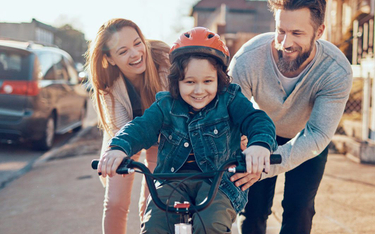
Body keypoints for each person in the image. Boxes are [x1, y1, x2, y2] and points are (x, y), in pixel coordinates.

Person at [97, 27, 278, 233]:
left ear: (219, 79)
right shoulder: (165, 105)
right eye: (190, 82)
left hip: (218, 183)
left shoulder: (230, 100)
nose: (199, 90)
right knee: (154, 225)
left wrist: (259, 145)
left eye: (208, 81)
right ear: (177, 81)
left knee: (210, 224)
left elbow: (257, 120)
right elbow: (140, 127)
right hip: (170, 181)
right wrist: (119, 147)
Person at [228, 0, 353, 233]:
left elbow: (318, 133)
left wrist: (265, 168)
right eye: (281, 31)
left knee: (299, 208)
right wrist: (245, 146)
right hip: (260, 135)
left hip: (309, 136)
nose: (285, 43)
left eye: (297, 33)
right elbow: (231, 114)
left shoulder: (336, 70)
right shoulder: (248, 58)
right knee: (252, 209)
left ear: (319, 31)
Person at [85, 18, 170, 234]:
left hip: (165, 134)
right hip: (126, 135)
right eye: (122, 51)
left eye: (137, 43)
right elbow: (122, 133)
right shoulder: (108, 83)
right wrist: (117, 153)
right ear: (110, 59)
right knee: (115, 203)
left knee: (153, 202)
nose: (135, 53)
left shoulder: (165, 63)